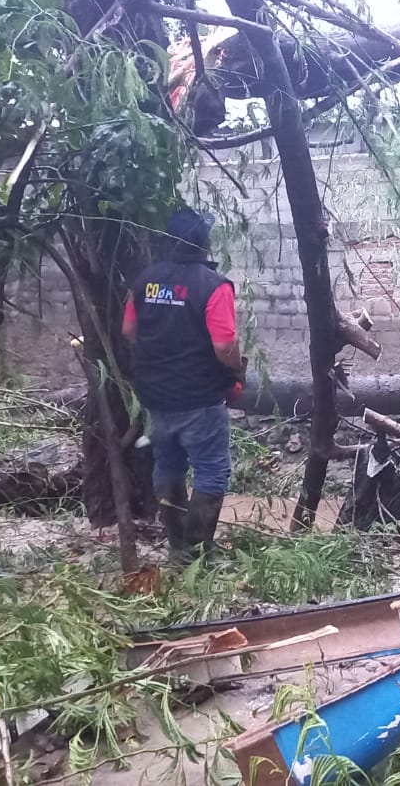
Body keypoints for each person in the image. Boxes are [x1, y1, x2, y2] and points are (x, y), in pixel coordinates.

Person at [122, 209, 245, 566]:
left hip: (155, 396)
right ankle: (197, 554)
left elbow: (128, 331)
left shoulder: (146, 281)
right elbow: (224, 346)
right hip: (200, 399)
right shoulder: (214, 286)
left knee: (168, 464)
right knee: (212, 470)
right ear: (204, 244)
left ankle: (178, 550)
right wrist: (237, 369)